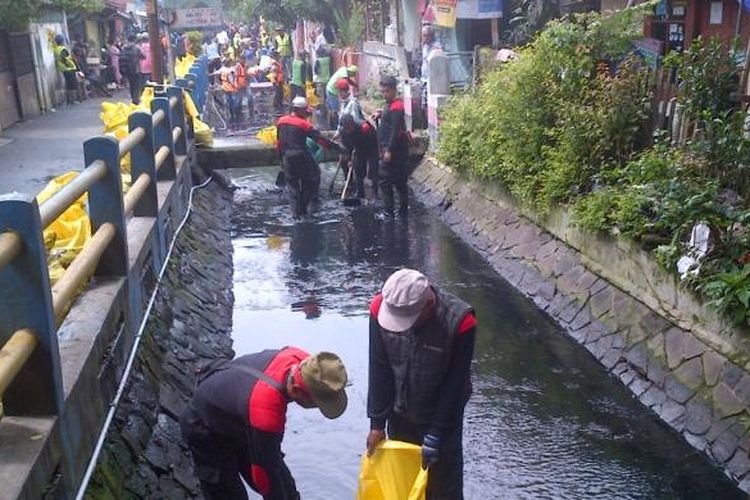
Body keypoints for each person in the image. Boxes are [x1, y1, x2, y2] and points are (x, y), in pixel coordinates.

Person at [181, 348, 349, 500]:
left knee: (288, 493)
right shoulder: (266, 411)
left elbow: (270, 466)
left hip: (240, 418)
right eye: (318, 403)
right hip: (206, 429)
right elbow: (264, 475)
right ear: (297, 391)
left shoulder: (301, 360)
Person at [366, 269, 476, 500]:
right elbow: (379, 368)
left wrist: (436, 432)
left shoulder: (460, 323)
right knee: (402, 487)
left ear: (428, 305)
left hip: (442, 419)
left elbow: (454, 386)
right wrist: (377, 422)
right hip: (400, 413)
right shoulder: (379, 309)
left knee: (444, 489)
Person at [277, 97, 343, 217]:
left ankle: (295, 213)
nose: (306, 113)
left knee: (292, 185)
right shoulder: (304, 124)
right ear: (299, 110)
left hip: (286, 157)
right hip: (301, 156)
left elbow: (279, 143)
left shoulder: (281, 121)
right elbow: (320, 140)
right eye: (305, 110)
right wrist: (337, 148)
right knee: (311, 180)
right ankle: (303, 209)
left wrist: (281, 159)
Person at [375, 75, 410, 217]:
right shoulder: (390, 105)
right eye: (382, 91)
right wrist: (381, 114)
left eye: (387, 91)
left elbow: (395, 131)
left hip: (395, 151)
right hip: (394, 150)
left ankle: (389, 212)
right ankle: (402, 210)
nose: (384, 94)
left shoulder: (397, 107)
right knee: (399, 180)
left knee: (385, 180)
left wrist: (389, 150)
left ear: (394, 90)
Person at [340, 114, 379, 199]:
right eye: (346, 128)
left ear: (352, 124)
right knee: (358, 169)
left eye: (349, 127)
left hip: (371, 147)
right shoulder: (343, 131)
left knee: (373, 169)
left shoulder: (364, 127)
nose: (348, 130)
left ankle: (375, 191)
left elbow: (373, 142)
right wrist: (350, 159)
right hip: (357, 148)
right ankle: (360, 192)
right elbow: (346, 146)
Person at [53, 34, 83, 104]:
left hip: (63, 69)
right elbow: (66, 59)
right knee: (72, 84)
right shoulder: (62, 49)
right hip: (69, 68)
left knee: (69, 84)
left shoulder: (56, 49)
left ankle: (70, 100)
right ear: (61, 41)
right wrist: (72, 66)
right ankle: (72, 100)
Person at [419, 25, 442, 112]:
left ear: (431, 36)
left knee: (430, 104)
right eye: (423, 35)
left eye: (427, 35)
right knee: (424, 104)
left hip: (432, 80)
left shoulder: (436, 47)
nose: (425, 38)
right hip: (424, 79)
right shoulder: (425, 46)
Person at [119, 33, 145, 105]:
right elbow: (143, 56)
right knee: (137, 85)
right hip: (136, 69)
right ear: (135, 39)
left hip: (127, 70)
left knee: (131, 84)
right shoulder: (136, 48)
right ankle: (135, 99)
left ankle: (133, 98)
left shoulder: (123, 48)